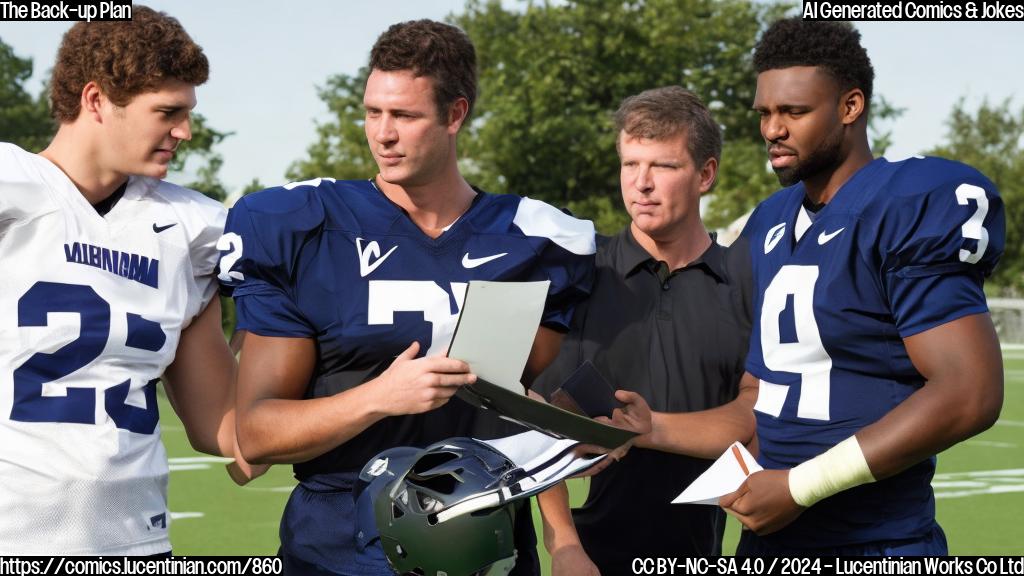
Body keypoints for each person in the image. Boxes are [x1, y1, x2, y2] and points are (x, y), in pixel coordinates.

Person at [613, 19, 1005, 556]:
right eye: (765, 113)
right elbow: (760, 398)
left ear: (850, 107)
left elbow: (969, 393)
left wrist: (801, 485)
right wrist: (648, 427)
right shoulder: (769, 223)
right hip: (769, 545)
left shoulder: (906, 202)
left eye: (794, 112)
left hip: (874, 546)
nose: (773, 129)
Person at [218, 19, 596, 575]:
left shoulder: (534, 239)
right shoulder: (304, 227)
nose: (382, 134)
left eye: (405, 116)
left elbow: (532, 405)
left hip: (484, 537)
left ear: (455, 114)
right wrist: (379, 396)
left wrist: (580, 443)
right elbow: (257, 431)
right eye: (373, 112)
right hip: (340, 546)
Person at [0, 6, 256, 556]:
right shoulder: (12, 188)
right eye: (167, 112)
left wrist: (369, 399)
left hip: (137, 543)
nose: (184, 132)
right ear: (96, 101)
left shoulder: (190, 230)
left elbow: (223, 426)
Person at [532, 87, 752, 573]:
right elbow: (537, 414)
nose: (641, 183)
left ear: (706, 174)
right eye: (630, 165)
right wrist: (564, 544)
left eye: (664, 166)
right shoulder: (581, 276)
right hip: (589, 560)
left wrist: (647, 432)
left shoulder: (744, 283)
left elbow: (755, 414)